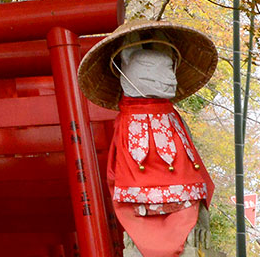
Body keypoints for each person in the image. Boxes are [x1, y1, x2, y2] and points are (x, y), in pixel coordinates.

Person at [76, 18, 219, 257]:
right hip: (137, 202)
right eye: (156, 73)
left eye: (168, 69)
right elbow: (114, 172)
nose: (169, 79)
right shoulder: (125, 121)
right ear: (124, 66)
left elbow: (194, 162)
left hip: (185, 198)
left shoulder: (172, 117)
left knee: (189, 238)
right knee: (138, 243)